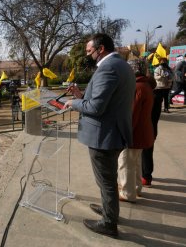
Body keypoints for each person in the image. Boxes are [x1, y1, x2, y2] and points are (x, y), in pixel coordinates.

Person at [64, 33, 136, 237]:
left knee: (106, 181)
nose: (88, 55)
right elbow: (105, 99)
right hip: (112, 132)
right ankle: (109, 210)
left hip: (104, 136)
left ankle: (109, 223)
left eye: (89, 51)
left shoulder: (108, 68)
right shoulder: (121, 65)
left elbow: (96, 107)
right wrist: (81, 95)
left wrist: (74, 103)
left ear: (101, 48)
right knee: (107, 180)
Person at [117, 58, 154, 203]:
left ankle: (127, 193)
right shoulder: (145, 85)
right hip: (143, 133)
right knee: (136, 163)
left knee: (125, 163)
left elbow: (131, 115)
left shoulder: (136, 87)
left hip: (134, 134)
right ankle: (137, 188)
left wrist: (123, 134)